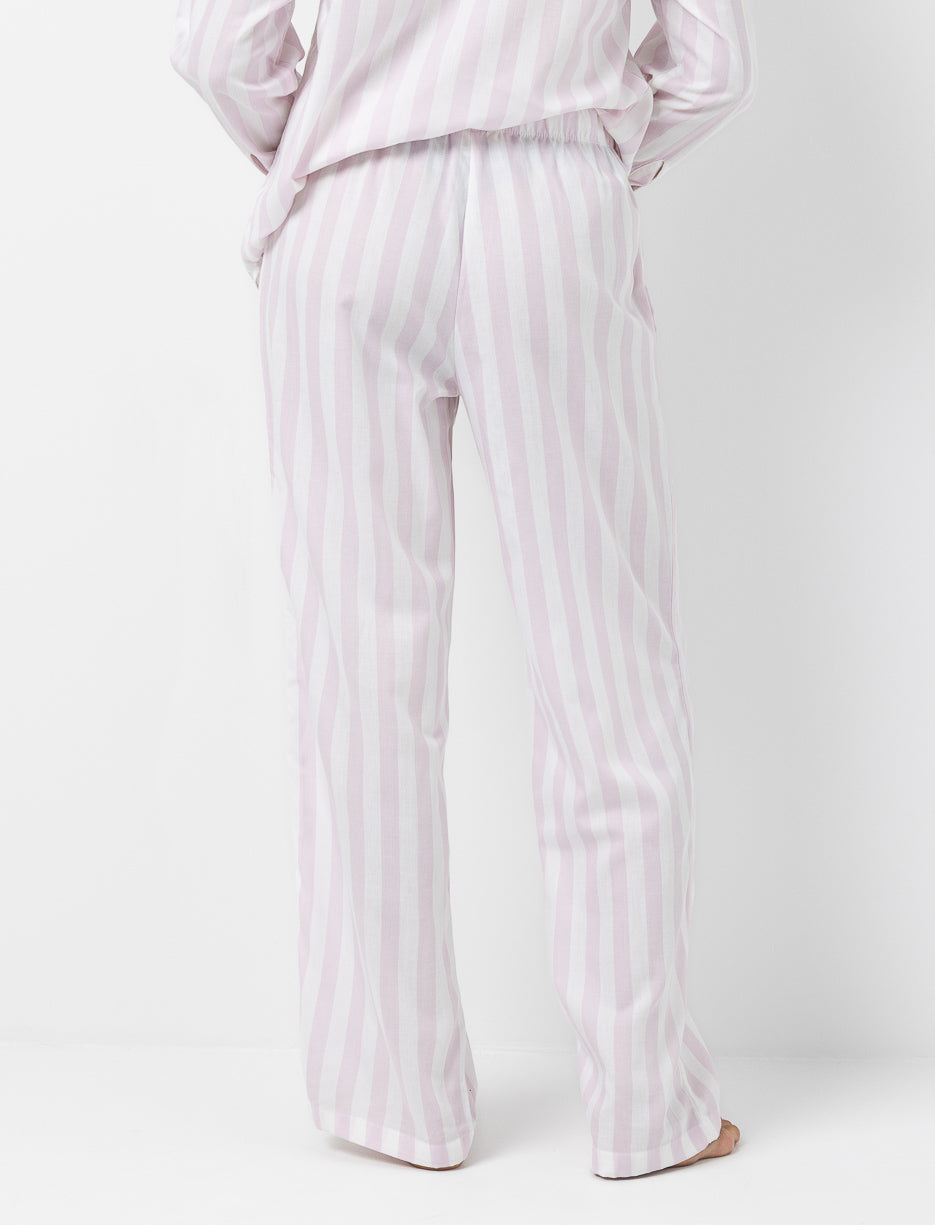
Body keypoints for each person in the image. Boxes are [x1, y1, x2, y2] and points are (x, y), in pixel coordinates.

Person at [169, 0, 757, 1180]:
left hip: (348, 209)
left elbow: (217, 46)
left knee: (361, 680)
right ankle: (645, 1105)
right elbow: (713, 63)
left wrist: (332, 132)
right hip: (553, 205)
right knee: (607, 670)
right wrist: (595, 141)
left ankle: (393, 1098)